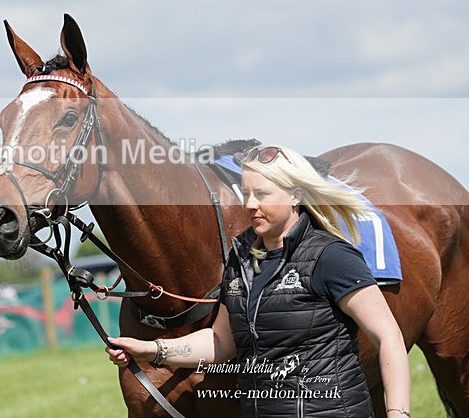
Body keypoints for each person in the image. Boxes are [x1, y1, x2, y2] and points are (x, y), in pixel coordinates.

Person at [106, 144, 411, 418]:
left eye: (262, 194)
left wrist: (398, 413)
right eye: (246, 193)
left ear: (296, 195)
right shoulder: (240, 256)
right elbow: (220, 342)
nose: (250, 204)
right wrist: (152, 350)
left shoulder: (332, 256)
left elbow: (388, 338)